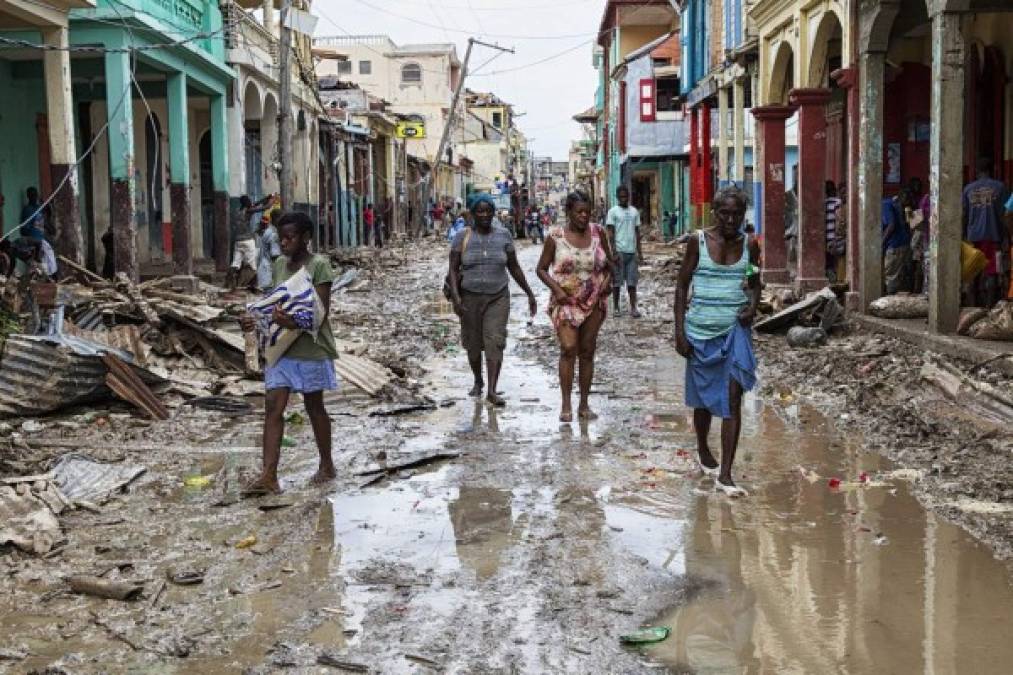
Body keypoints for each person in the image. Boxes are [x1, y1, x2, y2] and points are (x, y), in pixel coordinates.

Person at [239, 211, 338, 495]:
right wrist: (255, 318)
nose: (283, 243)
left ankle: (327, 464)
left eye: (290, 238)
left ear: (306, 238)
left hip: (310, 348)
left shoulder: (319, 266)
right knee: (273, 406)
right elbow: (274, 303)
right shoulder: (280, 264)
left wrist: (291, 321)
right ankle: (269, 476)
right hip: (282, 347)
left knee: (314, 406)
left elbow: (320, 313)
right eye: (281, 238)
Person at [674, 186, 760, 498]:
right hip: (699, 333)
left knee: (732, 399)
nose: (730, 219)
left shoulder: (750, 244)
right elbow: (682, 286)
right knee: (703, 401)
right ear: (715, 212)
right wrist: (679, 331)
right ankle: (701, 445)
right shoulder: (698, 242)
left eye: (737, 213)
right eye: (724, 213)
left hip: (734, 333)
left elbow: (753, 283)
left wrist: (752, 306)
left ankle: (725, 474)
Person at [448, 193, 538, 407]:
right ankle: (478, 380)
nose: (485, 215)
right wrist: (456, 296)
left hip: (498, 296)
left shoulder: (504, 235)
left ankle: (492, 390)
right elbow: (452, 269)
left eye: (488, 210)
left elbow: (513, 266)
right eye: (480, 211)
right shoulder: (462, 236)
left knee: (495, 341)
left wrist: (529, 292)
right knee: (472, 345)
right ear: (472, 214)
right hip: (469, 297)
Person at [536, 191, 614, 422]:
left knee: (587, 351)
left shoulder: (598, 233)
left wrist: (607, 284)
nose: (583, 216)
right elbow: (541, 269)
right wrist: (557, 290)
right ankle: (566, 403)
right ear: (568, 212)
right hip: (566, 301)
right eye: (579, 212)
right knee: (569, 348)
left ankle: (584, 404)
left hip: (593, 300)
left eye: (587, 212)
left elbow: (609, 265)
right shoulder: (555, 236)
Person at [962, 157, 1010, 307]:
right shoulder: (1000, 187)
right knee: (992, 273)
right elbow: (1006, 215)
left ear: (977, 171)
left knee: (972, 273)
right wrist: (1006, 237)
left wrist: (963, 236)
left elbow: (964, 214)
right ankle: (989, 309)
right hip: (993, 236)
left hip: (972, 237)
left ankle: (973, 308)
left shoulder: (968, 189)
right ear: (992, 169)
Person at [606, 186, 643, 317]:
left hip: (632, 253)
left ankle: (633, 308)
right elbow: (610, 233)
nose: (624, 199)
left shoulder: (634, 212)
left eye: (625, 196)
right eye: (621, 196)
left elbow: (637, 233)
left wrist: (640, 252)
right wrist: (613, 252)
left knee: (632, 283)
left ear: (628, 196)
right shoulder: (613, 212)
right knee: (617, 282)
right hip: (619, 252)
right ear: (617, 197)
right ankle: (616, 308)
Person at [230, 194, 273, 290]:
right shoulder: (248, 211)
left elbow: (255, 204)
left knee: (235, 264)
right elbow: (266, 207)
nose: (251, 202)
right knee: (252, 266)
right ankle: (242, 284)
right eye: (249, 200)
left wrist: (265, 198)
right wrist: (272, 200)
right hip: (247, 241)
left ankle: (230, 283)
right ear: (247, 202)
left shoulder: (238, 211)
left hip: (237, 241)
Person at [882, 189, 913, 295]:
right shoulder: (894, 204)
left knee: (891, 275)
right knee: (898, 275)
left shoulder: (886, 204)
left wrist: (881, 243)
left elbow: (891, 225)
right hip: (903, 243)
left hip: (895, 245)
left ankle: (890, 300)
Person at [256, 210, 282, 291]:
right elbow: (275, 256)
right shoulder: (274, 234)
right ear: (277, 219)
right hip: (269, 273)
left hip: (263, 270)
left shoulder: (269, 230)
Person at [824, 181, 843, 281]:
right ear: (835, 190)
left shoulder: (823, 203)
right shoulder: (837, 202)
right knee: (836, 262)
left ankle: (831, 280)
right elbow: (839, 220)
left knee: (828, 262)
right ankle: (835, 281)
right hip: (834, 238)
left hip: (825, 238)